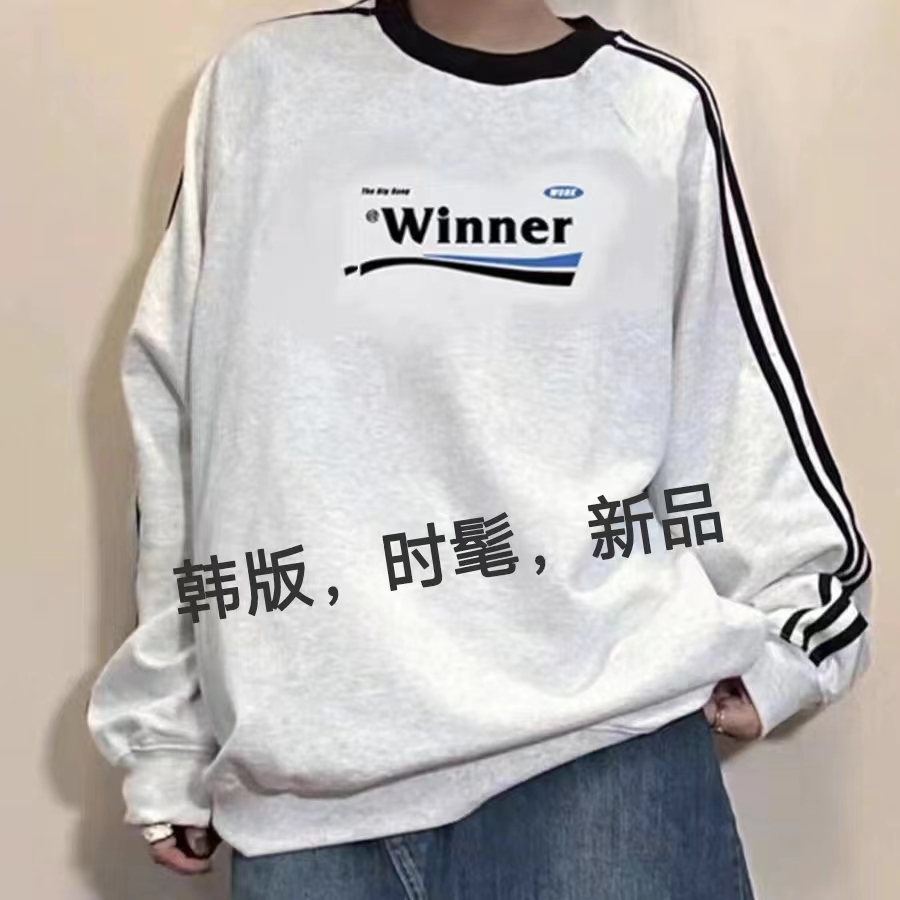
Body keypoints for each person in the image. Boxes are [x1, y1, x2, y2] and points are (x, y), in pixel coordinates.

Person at [86, 1, 875, 897]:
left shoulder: (652, 107)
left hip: (600, 771)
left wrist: (796, 632)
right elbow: (179, 413)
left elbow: (728, 388)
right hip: (306, 797)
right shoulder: (264, 86)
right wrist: (168, 729)